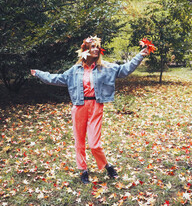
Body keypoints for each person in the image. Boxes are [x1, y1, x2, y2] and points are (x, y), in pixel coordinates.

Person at [31, 36, 149, 184]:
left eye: (97, 47)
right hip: (79, 106)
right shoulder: (75, 70)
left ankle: (106, 165)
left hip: (96, 106)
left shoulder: (105, 67)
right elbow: (57, 78)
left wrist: (139, 56)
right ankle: (83, 170)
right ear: (85, 50)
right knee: (79, 141)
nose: (95, 49)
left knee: (94, 144)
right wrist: (39, 74)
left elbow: (124, 70)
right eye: (91, 47)